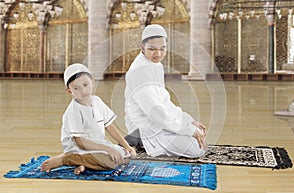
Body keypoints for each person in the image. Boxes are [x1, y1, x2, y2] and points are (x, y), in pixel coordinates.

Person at [124, 24, 207, 158]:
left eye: (162, 49)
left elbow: (164, 101)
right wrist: (188, 130)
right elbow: (155, 112)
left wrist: (187, 121)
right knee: (195, 149)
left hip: (158, 121)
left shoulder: (156, 65)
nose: (158, 54)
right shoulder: (138, 72)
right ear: (142, 47)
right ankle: (135, 139)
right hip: (145, 126)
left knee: (199, 137)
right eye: (152, 49)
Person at [41, 63, 136, 175]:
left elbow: (110, 126)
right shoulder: (73, 110)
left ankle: (84, 164)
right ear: (69, 91)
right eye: (76, 88)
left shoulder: (97, 101)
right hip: (79, 149)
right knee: (111, 161)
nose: (83, 91)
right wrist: (108, 150)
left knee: (126, 156)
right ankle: (65, 159)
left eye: (85, 85)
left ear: (92, 82)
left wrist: (126, 146)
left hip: (97, 146)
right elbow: (80, 142)